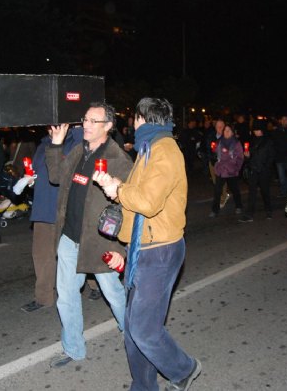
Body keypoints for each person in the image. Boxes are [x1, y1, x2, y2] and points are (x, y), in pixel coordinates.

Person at [93, 97, 201, 391]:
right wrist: (114, 187)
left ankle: (184, 369)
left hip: (160, 250)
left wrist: (119, 189)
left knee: (144, 329)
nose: (132, 124)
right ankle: (143, 386)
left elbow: (149, 202)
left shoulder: (165, 150)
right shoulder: (150, 148)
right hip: (144, 247)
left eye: (135, 119)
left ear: (144, 119)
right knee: (133, 328)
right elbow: (139, 193)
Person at [45, 102, 132, 368]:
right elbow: (57, 176)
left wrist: (122, 249)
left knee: (114, 294)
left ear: (107, 126)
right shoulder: (78, 151)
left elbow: (130, 207)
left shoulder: (119, 160)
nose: (86, 124)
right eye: (85, 119)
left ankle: (135, 336)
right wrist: (57, 145)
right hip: (70, 237)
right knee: (67, 296)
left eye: (94, 121)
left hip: (100, 242)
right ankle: (73, 349)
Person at [20, 126, 83, 312]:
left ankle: (95, 285)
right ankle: (44, 297)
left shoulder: (76, 141)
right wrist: (30, 179)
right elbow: (40, 171)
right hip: (43, 207)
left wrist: (77, 130)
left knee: (77, 253)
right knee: (42, 255)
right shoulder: (42, 145)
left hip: (66, 208)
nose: (53, 127)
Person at [240, 119, 275, 222]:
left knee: (265, 192)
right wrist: (247, 156)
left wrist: (266, 167)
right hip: (253, 170)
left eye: (258, 130)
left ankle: (268, 210)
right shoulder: (252, 140)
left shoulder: (268, 141)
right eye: (255, 130)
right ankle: (249, 214)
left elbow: (271, 156)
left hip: (264, 170)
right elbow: (249, 155)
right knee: (252, 193)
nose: (256, 132)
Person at [209, 124, 244, 218]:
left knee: (235, 189)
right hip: (220, 170)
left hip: (231, 170)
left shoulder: (236, 143)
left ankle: (239, 206)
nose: (226, 132)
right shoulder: (219, 141)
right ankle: (215, 210)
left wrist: (236, 168)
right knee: (217, 190)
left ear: (232, 132)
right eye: (225, 130)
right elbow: (216, 152)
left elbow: (240, 157)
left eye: (229, 130)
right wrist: (214, 149)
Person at [272, 115, 287, 196]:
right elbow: (274, 143)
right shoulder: (276, 131)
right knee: (282, 177)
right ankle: (283, 192)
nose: (284, 121)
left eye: (286, 119)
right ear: (280, 121)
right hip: (279, 157)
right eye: (283, 119)